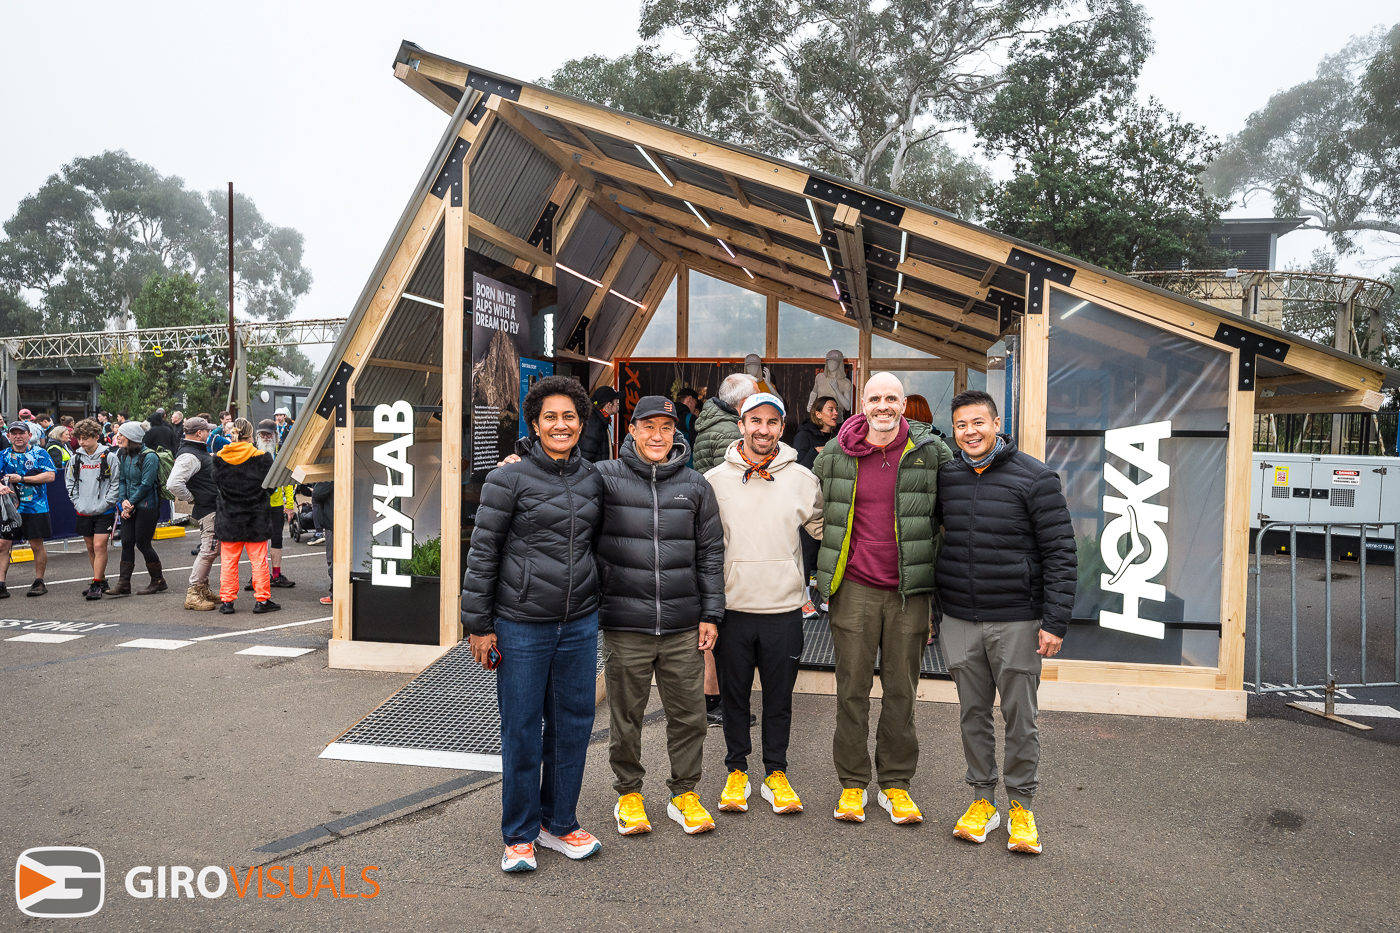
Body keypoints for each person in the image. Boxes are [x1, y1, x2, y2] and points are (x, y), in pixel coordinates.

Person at [462, 375, 605, 873]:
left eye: (569, 417)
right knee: (522, 730)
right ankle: (519, 834)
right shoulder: (508, 479)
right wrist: (479, 624)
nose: (561, 425)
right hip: (521, 625)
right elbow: (483, 553)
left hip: (579, 624)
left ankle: (558, 823)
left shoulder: (594, 478)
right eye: (551, 417)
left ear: (581, 423)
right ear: (535, 425)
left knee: (573, 728)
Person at [936, 389, 1076, 855]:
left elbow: (1061, 553)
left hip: (1018, 620)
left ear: (997, 424)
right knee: (972, 714)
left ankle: (1021, 806)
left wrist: (1054, 621)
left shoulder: (1035, 478)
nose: (970, 432)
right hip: (960, 618)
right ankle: (982, 800)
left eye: (978, 422)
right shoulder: (948, 476)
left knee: (1021, 717)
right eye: (961, 425)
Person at [812, 373, 954, 825]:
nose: (883, 405)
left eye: (892, 397)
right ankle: (853, 784)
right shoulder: (836, 452)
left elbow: (953, 512)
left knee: (902, 691)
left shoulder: (930, 452)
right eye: (875, 398)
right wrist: (836, 549)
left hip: (909, 590)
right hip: (854, 587)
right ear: (863, 404)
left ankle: (895, 784)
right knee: (851, 690)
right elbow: (812, 507)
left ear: (903, 404)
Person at [595, 395, 725, 837]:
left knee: (689, 716)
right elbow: (559, 489)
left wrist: (711, 613)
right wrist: (516, 463)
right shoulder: (604, 477)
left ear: (675, 433)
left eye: (666, 428)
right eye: (648, 426)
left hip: (683, 624)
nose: (657, 436)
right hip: (625, 623)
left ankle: (684, 793)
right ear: (631, 430)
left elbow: (711, 554)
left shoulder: (695, 485)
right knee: (625, 717)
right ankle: (629, 794)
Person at [704, 392, 823, 816]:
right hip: (733, 610)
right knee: (734, 700)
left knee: (779, 700)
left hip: (783, 610)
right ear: (741, 425)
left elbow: (825, 532)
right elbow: (702, 547)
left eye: (772, 422)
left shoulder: (802, 479)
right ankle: (736, 771)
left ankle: (776, 774)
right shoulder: (713, 481)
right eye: (755, 420)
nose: (763, 429)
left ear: (781, 427)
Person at [690, 372, 759, 725]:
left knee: (713, 617)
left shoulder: (709, 423)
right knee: (719, 620)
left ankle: (712, 699)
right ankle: (715, 701)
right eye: (756, 397)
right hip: (724, 534)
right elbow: (737, 487)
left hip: (709, 530)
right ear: (743, 403)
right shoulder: (730, 431)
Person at [212, 418, 279, 614]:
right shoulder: (262, 458)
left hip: (228, 517)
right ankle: (262, 600)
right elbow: (271, 487)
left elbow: (216, 485)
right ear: (251, 436)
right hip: (255, 517)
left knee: (228, 562)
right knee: (259, 561)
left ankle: (227, 601)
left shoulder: (219, 458)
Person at [108, 422, 167, 597]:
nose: (117, 437)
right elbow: (122, 480)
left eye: (121, 434)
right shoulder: (124, 454)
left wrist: (130, 503)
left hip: (147, 506)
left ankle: (158, 581)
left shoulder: (150, 457)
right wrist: (123, 502)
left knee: (143, 543)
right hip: (130, 506)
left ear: (132, 437)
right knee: (126, 542)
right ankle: (123, 584)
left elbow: (146, 485)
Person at [167, 416, 220, 611]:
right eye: (207, 431)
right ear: (199, 433)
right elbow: (173, 484)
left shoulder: (194, 451)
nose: (209, 433)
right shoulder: (190, 455)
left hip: (209, 506)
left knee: (211, 549)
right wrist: (191, 497)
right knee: (208, 550)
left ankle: (202, 588)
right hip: (208, 508)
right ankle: (194, 592)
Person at [0, 421, 57, 598]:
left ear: (29, 435)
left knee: (36, 545)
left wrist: (22, 479)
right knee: (3, 545)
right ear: (8, 436)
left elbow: (50, 475)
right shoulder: (3, 455)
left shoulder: (39, 453)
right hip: (9, 508)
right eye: (14, 433)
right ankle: (1, 584)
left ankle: (39, 581)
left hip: (36, 507)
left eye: (21, 433)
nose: (18, 436)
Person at [794, 396, 840, 618]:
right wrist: (818, 451)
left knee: (829, 549)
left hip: (834, 499)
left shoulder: (840, 435)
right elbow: (798, 468)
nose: (835, 413)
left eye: (836, 409)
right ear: (818, 413)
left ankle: (828, 596)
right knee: (808, 549)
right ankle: (804, 600)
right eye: (831, 409)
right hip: (809, 501)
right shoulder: (803, 435)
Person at [67, 419, 120, 599]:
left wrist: (106, 503)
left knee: (99, 545)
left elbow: (115, 483)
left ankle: (96, 583)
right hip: (83, 509)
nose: (81, 442)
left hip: (105, 510)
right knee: (90, 547)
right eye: (79, 438)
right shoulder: (76, 459)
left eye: (85, 438)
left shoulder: (110, 457)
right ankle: (101, 580)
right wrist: (77, 503)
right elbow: (70, 483)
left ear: (96, 437)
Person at [246, 420, 296, 590]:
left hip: (276, 504)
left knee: (276, 539)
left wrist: (289, 505)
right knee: (257, 540)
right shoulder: (251, 454)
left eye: (269, 434)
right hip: (256, 504)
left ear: (275, 435)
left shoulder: (281, 455)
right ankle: (257, 575)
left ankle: (276, 575)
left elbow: (287, 481)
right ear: (258, 436)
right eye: (263, 434)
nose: (266, 437)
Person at [691, 373, 757, 474]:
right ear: (745, 403)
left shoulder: (715, 421)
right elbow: (731, 478)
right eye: (757, 398)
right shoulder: (732, 432)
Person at [578, 386, 619, 463]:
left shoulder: (601, 420)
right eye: (616, 401)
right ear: (609, 404)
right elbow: (585, 457)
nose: (618, 404)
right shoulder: (594, 423)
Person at [311, 481, 333, 604]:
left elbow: (318, 494)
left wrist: (315, 490)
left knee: (333, 559)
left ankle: (335, 594)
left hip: (333, 520)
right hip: (350, 519)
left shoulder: (331, 476)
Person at [675, 387, 700, 461]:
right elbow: (696, 447)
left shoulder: (668, 415)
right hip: (686, 463)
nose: (695, 408)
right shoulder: (690, 418)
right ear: (689, 399)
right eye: (695, 403)